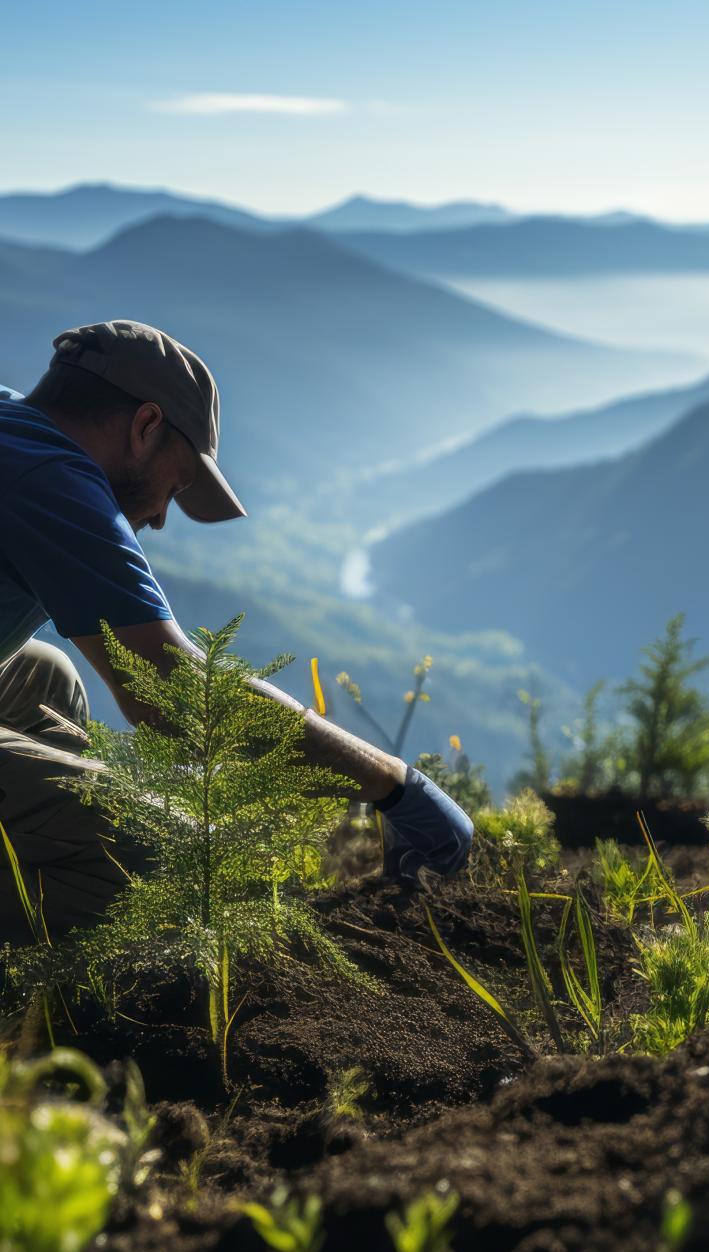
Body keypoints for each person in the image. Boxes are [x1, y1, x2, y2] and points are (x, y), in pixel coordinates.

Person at [0, 319, 472, 944]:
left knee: (44, 679)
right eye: (179, 483)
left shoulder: (16, 428)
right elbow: (168, 689)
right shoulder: (53, 481)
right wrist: (392, 786)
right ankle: (47, 980)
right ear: (145, 426)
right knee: (175, 859)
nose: (162, 517)